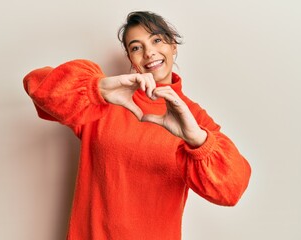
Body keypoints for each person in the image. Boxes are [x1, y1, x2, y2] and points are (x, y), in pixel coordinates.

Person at [23, 11, 251, 240]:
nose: (149, 52)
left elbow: (232, 189)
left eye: (157, 40)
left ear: (173, 45)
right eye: (136, 47)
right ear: (131, 59)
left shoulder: (194, 119)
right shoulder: (105, 101)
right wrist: (98, 89)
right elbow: (36, 85)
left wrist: (196, 139)